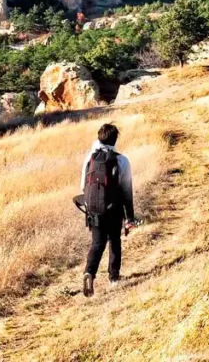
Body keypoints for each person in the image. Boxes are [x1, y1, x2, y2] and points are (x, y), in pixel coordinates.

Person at [80, 123, 136, 297]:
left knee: (97, 243)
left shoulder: (90, 157)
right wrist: (130, 218)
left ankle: (89, 272)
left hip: (94, 209)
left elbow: (83, 186)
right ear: (115, 139)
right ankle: (113, 277)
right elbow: (127, 191)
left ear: (99, 137)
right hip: (114, 209)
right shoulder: (122, 160)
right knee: (114, 242)